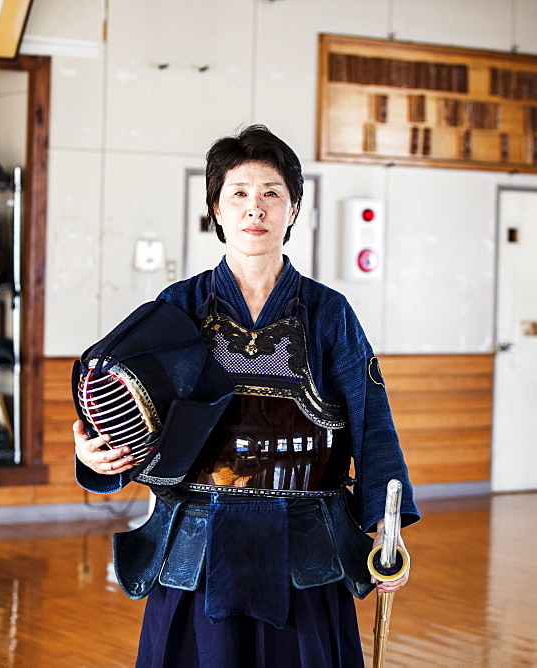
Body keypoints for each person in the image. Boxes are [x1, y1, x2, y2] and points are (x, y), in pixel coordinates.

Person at [73, 124, 419, 667]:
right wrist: (96, 452)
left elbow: (373, 422)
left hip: (306, 542)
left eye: (270, 194)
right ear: (216, 208)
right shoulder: (179, 306)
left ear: (294, 208)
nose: (254, 209)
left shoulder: (330, 314)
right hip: (196, 539)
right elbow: (124, 403)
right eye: (238, 194)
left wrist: (386, 527)